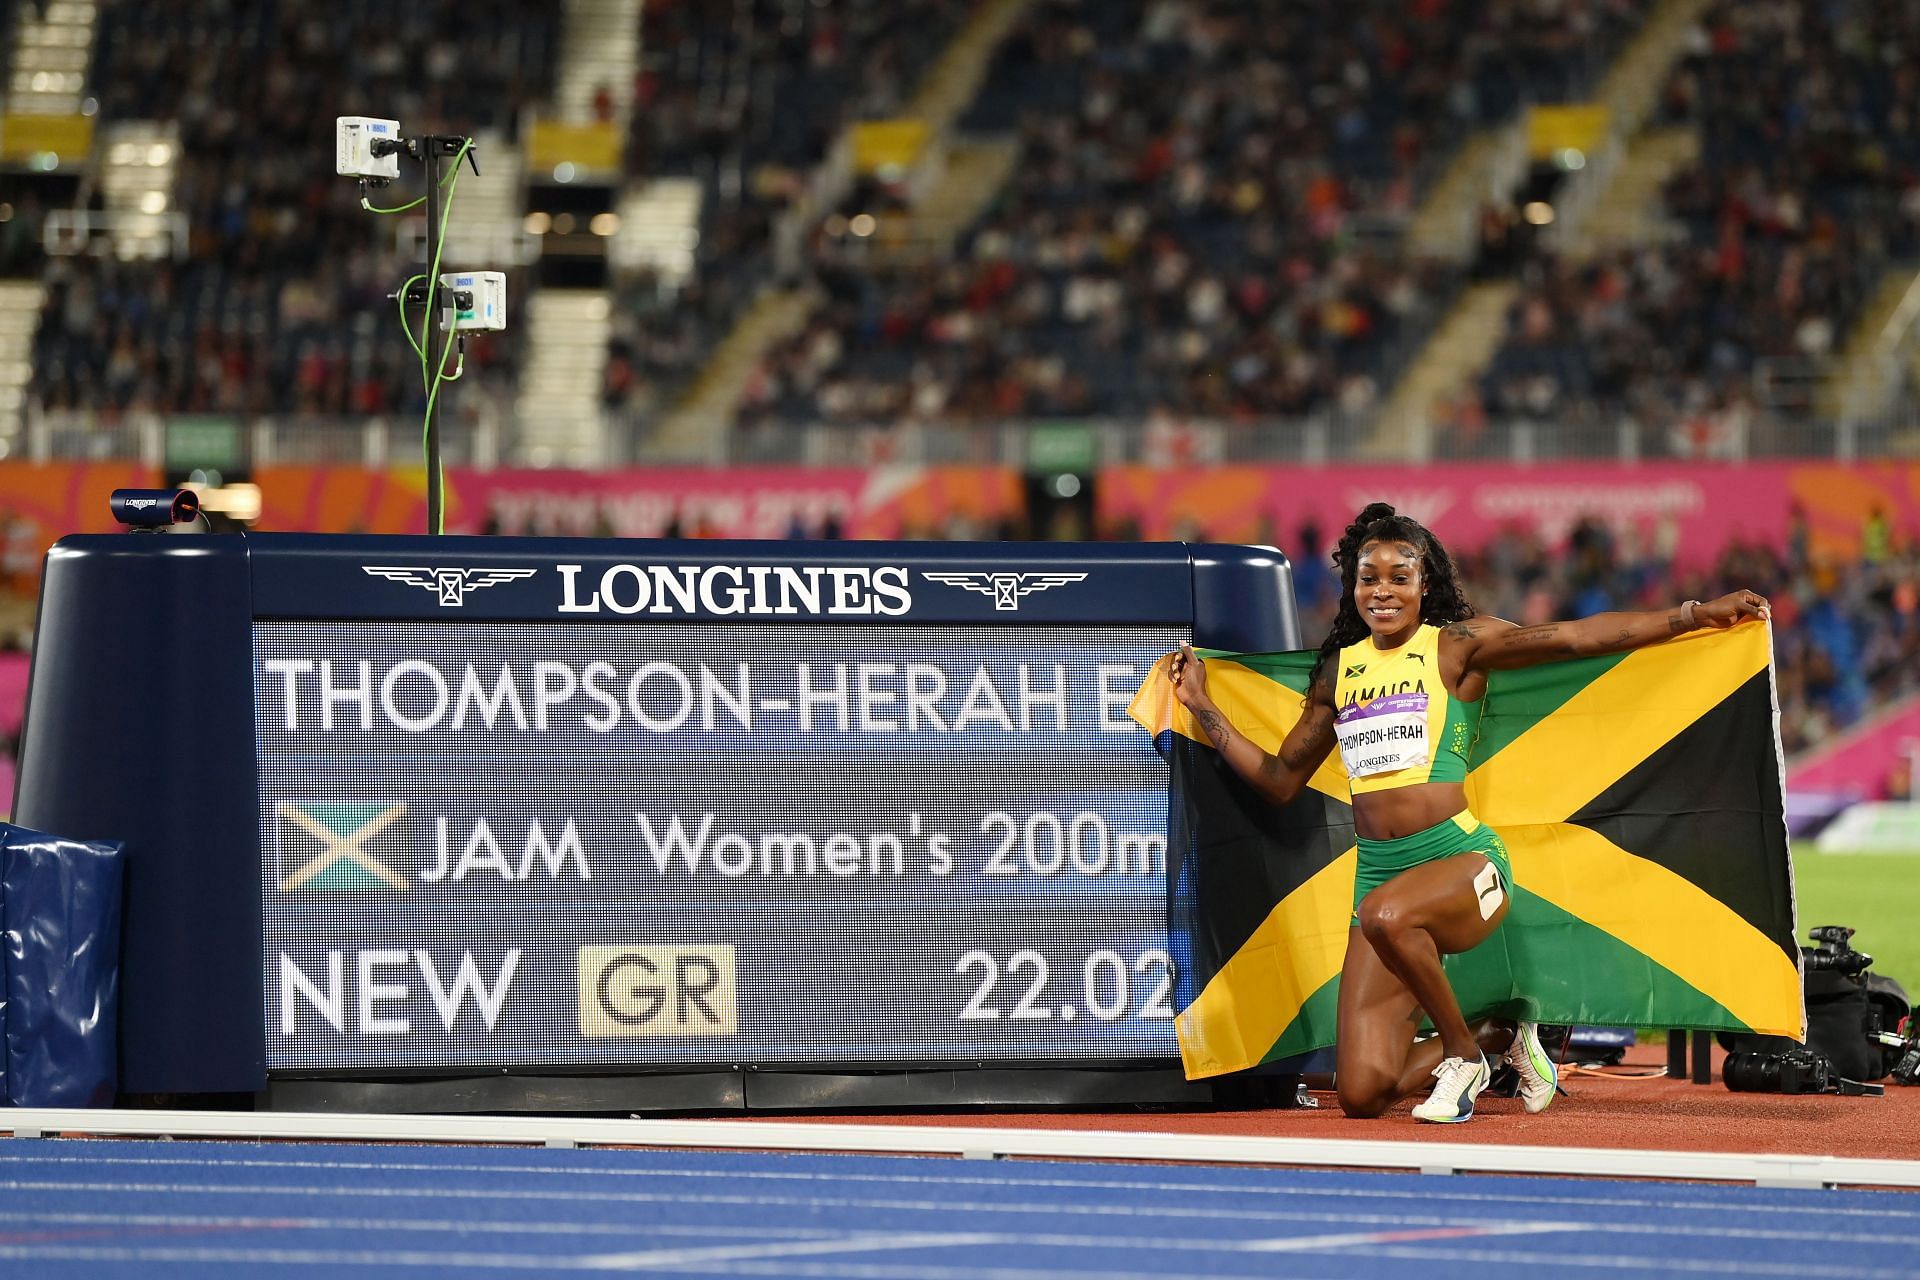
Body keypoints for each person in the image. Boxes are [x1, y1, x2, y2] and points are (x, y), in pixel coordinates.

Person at [1167, 502, 1771, 1122]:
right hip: (1378, 874)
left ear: (1424, 586)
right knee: (1361, 1093)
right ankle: (1495, 1037)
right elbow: (1278, 778)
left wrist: (1693, 614)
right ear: (1352, 586)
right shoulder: (1337, 674)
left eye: (1399, 578)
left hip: (1466, 865)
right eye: (1368, 577)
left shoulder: (1456, 648)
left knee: (1386, 914)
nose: (1383, 591)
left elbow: (1573, 636)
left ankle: (1462, 1057)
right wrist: (1201, 707)